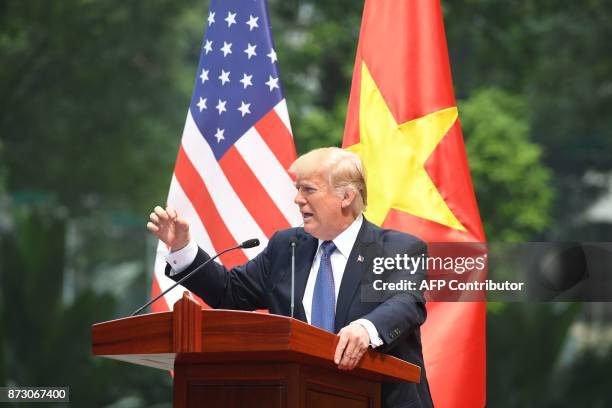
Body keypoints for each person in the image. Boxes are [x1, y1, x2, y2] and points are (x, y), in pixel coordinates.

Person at [147, 147, 434, 407]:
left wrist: (365, 329)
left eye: (308, 189)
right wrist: (183, 248)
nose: (297, 199)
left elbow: (406, 302)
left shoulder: (395, 248)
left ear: (346, 197)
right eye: (298, 189)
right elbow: (229, 292)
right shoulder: (287, 247)